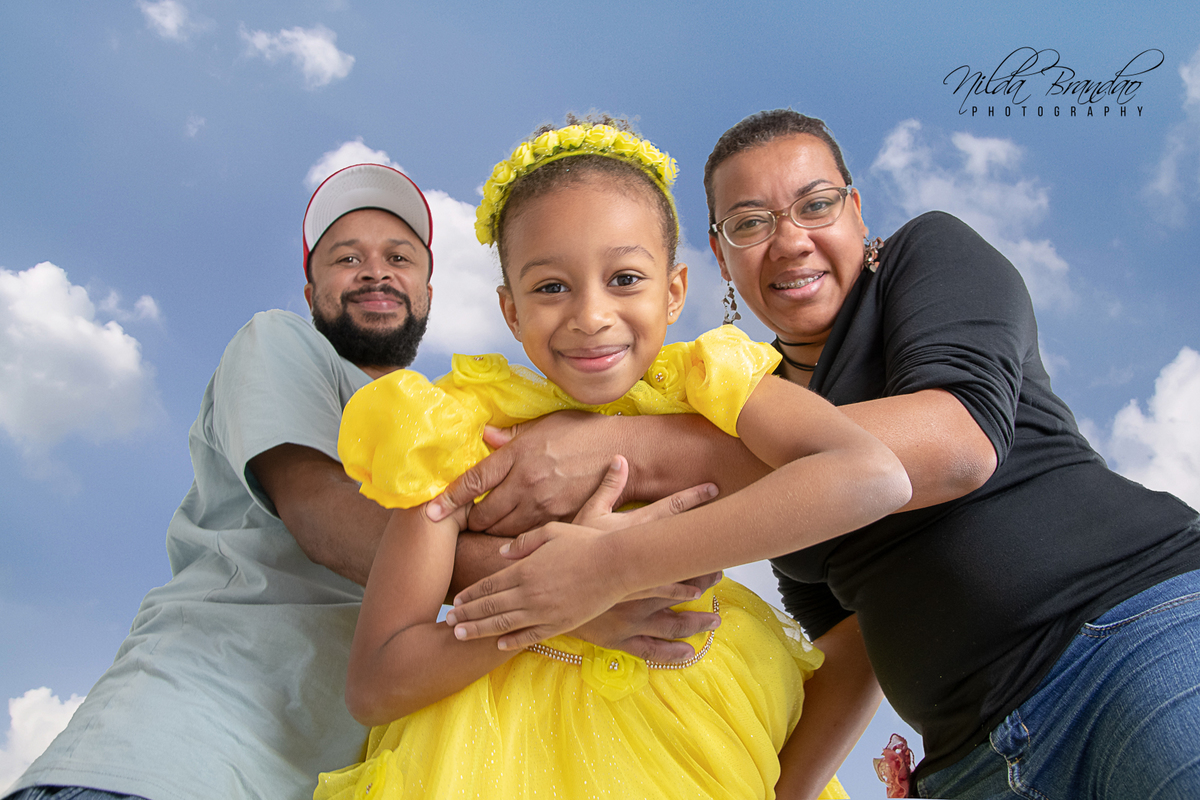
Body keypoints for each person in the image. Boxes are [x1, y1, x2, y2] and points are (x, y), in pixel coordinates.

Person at [5, 163, 730, 800]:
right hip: (172, 757)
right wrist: (565, 590)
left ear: (428, 287)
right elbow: (327, 520)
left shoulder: (451, 418)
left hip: (331, 773)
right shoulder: (282, 345)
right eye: (346, 258)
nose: (375, 272)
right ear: (311, 284)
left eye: (399, 256)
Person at [314, 120, 912, 799]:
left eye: (625, 277)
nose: (591, 315)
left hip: (697, 741)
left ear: (675, 290)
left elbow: (871, 475)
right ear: (510, 312)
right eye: (550, 288)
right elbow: (376, 681)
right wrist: (552, 608)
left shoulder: (714, 383)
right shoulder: (457, 429)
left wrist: (612, 568)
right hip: (491, 761)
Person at [694, 109, 1200, 798]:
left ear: (856, 213)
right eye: (751, 223)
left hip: (1131, 643)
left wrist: (658, 475)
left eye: (816, 205)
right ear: (721, 254)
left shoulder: (925, 256)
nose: (789, 242)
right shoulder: (751, 418)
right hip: (972, 763)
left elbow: (957, 442)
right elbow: (848, 644)